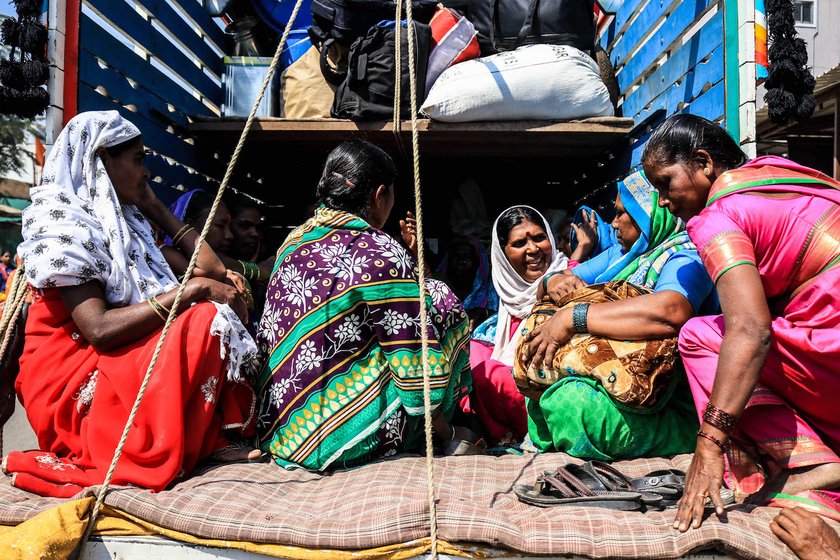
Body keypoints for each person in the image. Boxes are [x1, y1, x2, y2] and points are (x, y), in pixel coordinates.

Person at [4, 111, 259, 498]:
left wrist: (155, 206)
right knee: (202, 317)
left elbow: (211, 267)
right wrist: (191, 292)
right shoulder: (64, 225)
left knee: (206, 311)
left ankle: (194, 442)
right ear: (102, 159)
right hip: (73, 376)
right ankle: (152, 445)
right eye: (138, 161)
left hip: (110, 357)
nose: (146, 173)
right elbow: (99, 331)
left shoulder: (130, 225)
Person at [639, 113, 840, 532]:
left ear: (704, 161)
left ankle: (811, 464)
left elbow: (752, 330)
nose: (662, 201)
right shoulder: (783, 176)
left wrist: (709, 443)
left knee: (700, 335)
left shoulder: (717, 217)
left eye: (665, 183)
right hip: (826, 346)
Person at [255, 141, 473, 471]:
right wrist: (443, 429)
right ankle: (439, 427)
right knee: (439, 297)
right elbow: (413, 362)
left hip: (282, 431)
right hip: (344, 443)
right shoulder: (381, 250)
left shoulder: (293, 241)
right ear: (379, 195)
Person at [522, 171, 714, 460]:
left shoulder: (687, 255)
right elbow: (559, 280)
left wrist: (574, 317)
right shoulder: (623, 255)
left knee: (572, 404)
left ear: (648, 216)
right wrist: (550, 282)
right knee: (540, 396)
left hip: (666, 396)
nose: (612, 223)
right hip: (612, 375)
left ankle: (682, 434)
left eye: (621, 213)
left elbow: (672, 310)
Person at [463, 206, 569, 445]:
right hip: (520, 388)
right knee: (470, 353)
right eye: (520, 243)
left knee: (489, 375)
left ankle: (506, 436)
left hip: (550, 393)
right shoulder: (510, 293)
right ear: (502, 254)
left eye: (540, 238)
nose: (533, 249)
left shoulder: (567, 278)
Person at [435, 235, 498, 330]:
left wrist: (482, 313)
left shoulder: (490, 291)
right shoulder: (437, 286)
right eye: (456, 255)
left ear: (477, 261)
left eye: (467, 256)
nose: (461, 260)